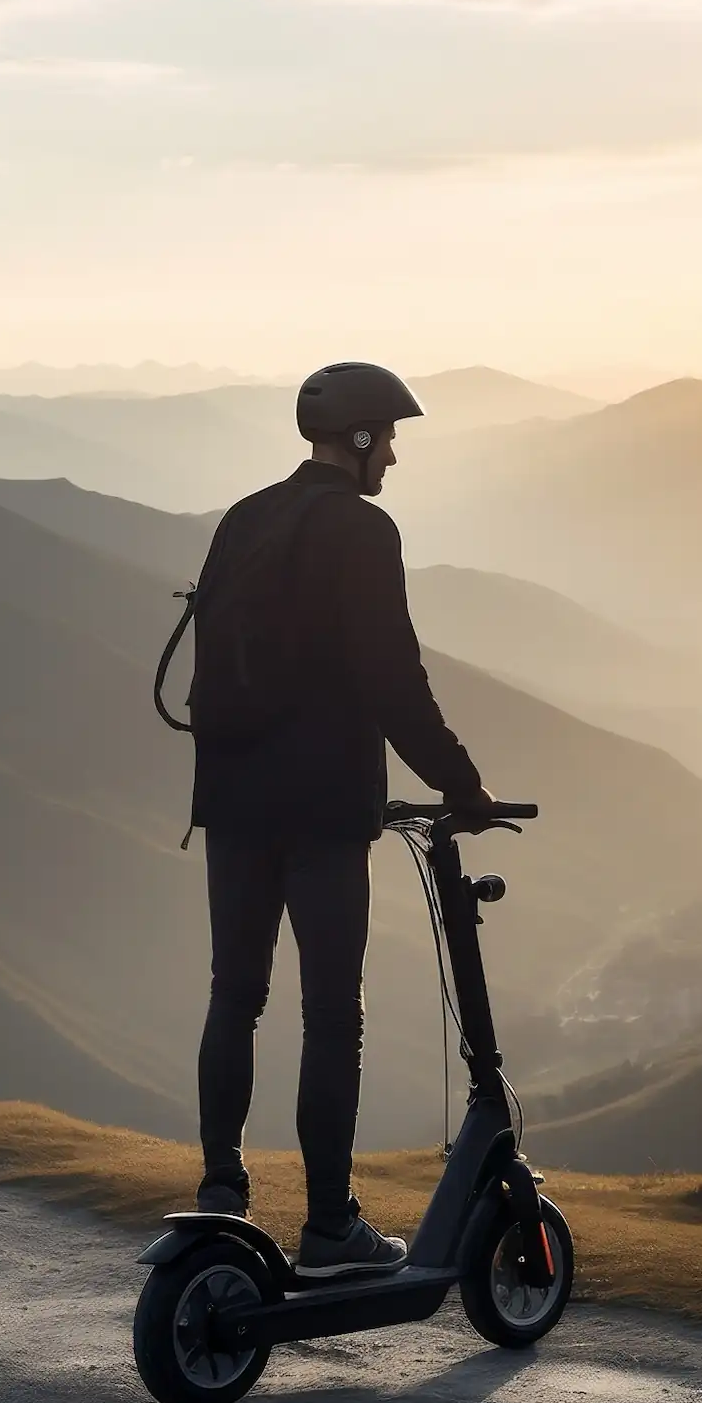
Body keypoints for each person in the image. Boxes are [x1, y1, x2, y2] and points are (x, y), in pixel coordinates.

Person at [185, 362, 496, 1278]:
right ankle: (330, 1228)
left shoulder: (243, 519)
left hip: (232, 803)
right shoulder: (363, 531)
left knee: (233, 996)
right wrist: (461, 783)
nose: (394, 455)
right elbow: (391, 677)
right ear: (358, 438)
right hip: (320, 809)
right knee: (333, 1017)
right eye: (388, 437)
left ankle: (219, 1194)